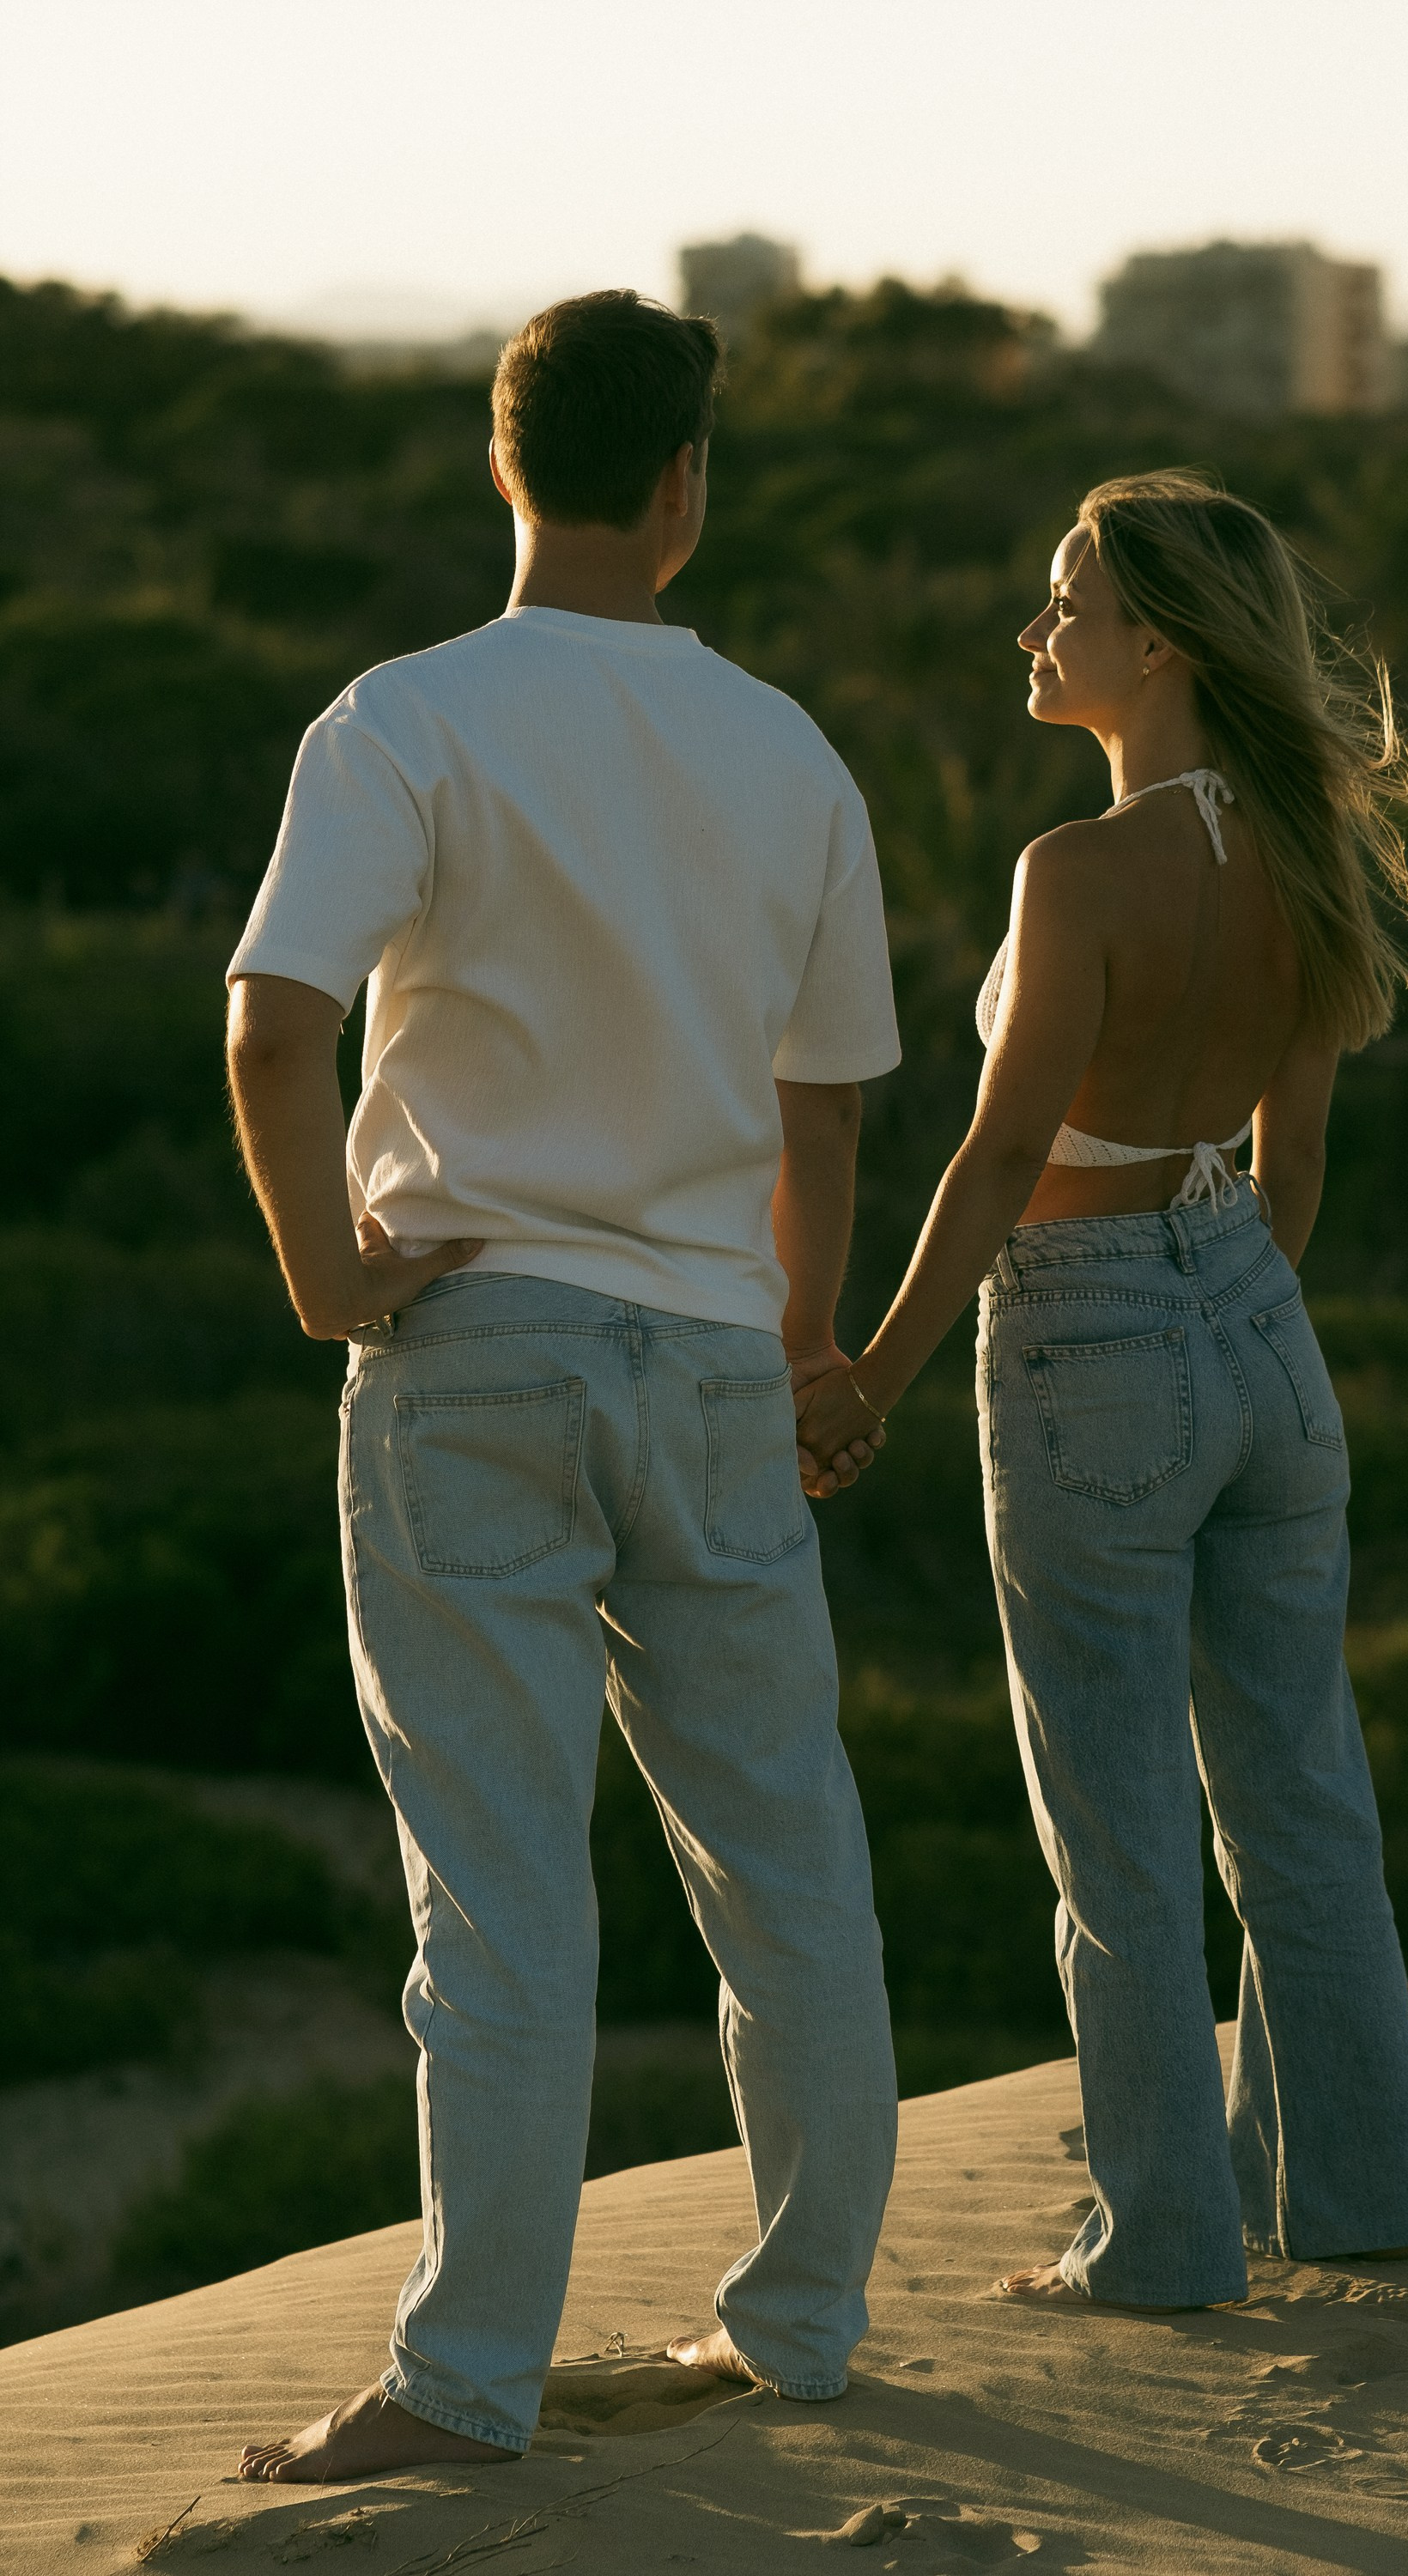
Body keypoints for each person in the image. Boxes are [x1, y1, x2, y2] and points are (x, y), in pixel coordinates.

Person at [225, 291, 901, 2482]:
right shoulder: (789, 751)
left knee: (502, 1897)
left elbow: (272, 1026)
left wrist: (325, 1278)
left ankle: (465, 2381)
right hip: (711, 1356)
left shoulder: (403, 718)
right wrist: (806, 1338)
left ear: (503, 465)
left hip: (476, 1350)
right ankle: (802, 2325)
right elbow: (825, 1109)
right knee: (788, 1865)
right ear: (685, 484)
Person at [797, 469, 1408, 2312]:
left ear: (1154, 645)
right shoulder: (1309, 846)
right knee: (1303, 1799)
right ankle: (1361, 2193)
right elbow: (1293, 1155)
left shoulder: (1074, 872)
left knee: (1121, 1833)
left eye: (1065, 605)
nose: (1035, 632)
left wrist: (866, 1377)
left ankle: (1158, 2240)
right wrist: (1230, 1313)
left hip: (1085, 1340)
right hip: (1255, 1320)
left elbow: (1002, 1158)